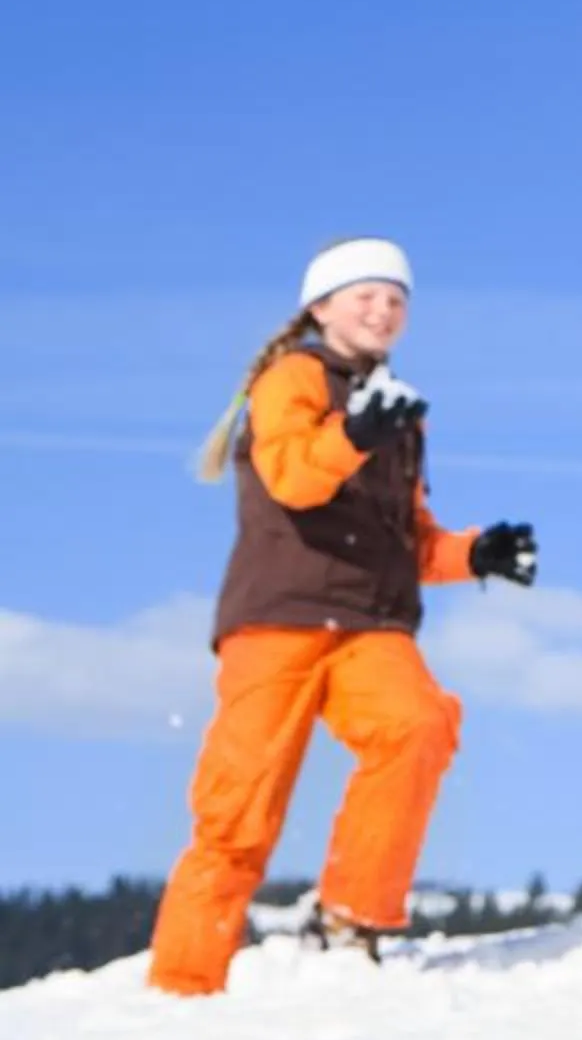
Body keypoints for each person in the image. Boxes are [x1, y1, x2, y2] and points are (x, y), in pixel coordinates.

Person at [149, 238, 540, 994]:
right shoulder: (292, 378)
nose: (382, 309)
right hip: (280, 622)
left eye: (396, 299)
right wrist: (356, 432)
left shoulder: (396, 410)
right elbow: (294, 476)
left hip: (369, 624)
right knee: (241, 807)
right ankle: (183, 986)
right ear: (320, 306)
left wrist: (477, 554)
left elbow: (410, 539)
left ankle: (353, 920)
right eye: (364, 294)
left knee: (418, 725)